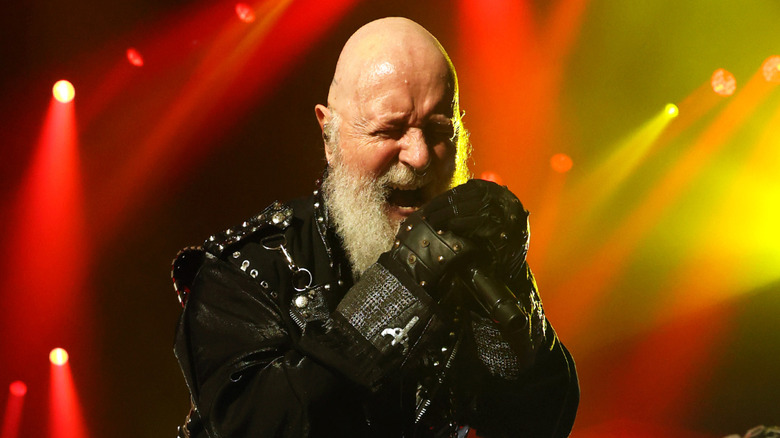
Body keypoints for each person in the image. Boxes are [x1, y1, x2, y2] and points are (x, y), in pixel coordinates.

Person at [171, 17, 579, 437]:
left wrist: (511, 279)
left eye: (439, 129)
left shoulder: (464, 263)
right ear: (329, 135)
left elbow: (539, 422)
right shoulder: (241, 271)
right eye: (389, 129)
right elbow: (257, 426)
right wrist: (401, 283)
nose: (419, 157)